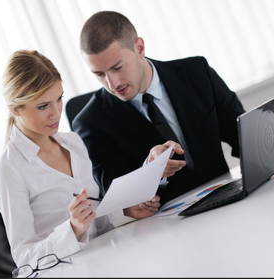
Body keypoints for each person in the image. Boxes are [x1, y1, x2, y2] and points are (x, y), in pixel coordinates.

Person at [0, 50, 161, 270]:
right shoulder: (8, 169)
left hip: (106, 261)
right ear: (15, 109)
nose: (56, 112)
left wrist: (126, 212)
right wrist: (72, 229)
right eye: (43, 106)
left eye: (59, 99)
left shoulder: (73, 143)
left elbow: (96, 223)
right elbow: (24, 258)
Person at [73, 11, 245, 203]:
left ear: (139, 48)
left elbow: (241, 132)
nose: (112, 84)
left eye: (117, 68)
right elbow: (110, 196)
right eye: (99, 74)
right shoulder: (90, 122)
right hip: (164, 224)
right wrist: (149, 171)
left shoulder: (196, 72)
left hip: (227, 200)